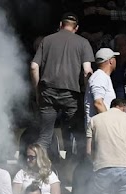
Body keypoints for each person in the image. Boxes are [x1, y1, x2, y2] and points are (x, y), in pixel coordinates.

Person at [30, 14, 95, 157]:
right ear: (76, 28)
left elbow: (34, 66)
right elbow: (87, 71)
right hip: (71, 95)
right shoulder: (83, 42)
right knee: (77, 135)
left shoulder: (46, 40)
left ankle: (40, 170)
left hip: (47, 93)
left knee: (45, 136)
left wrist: (37, 91)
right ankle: (78, 171)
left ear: (60, 25)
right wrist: (86, 95)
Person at [84, 48, 118, 129]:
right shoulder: (100, 77)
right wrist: (109, 124)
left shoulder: (102, 77)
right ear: (111, 61)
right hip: (100, 128)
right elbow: (98, 103)